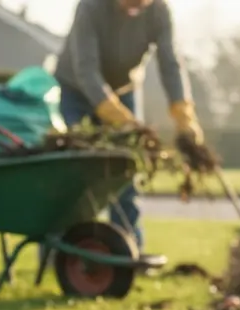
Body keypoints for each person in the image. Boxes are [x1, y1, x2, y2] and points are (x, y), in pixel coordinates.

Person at [53, 0, 204, 260]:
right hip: (75, 91)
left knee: (127, 168)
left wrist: (183, 115)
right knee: (76, 173)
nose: (134, 9)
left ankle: (127, 250)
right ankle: (66, 251)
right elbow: (86, 68)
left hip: (124, 91)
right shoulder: (90, 7)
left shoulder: (158, 10)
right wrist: (118, 118)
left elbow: (170, 63)